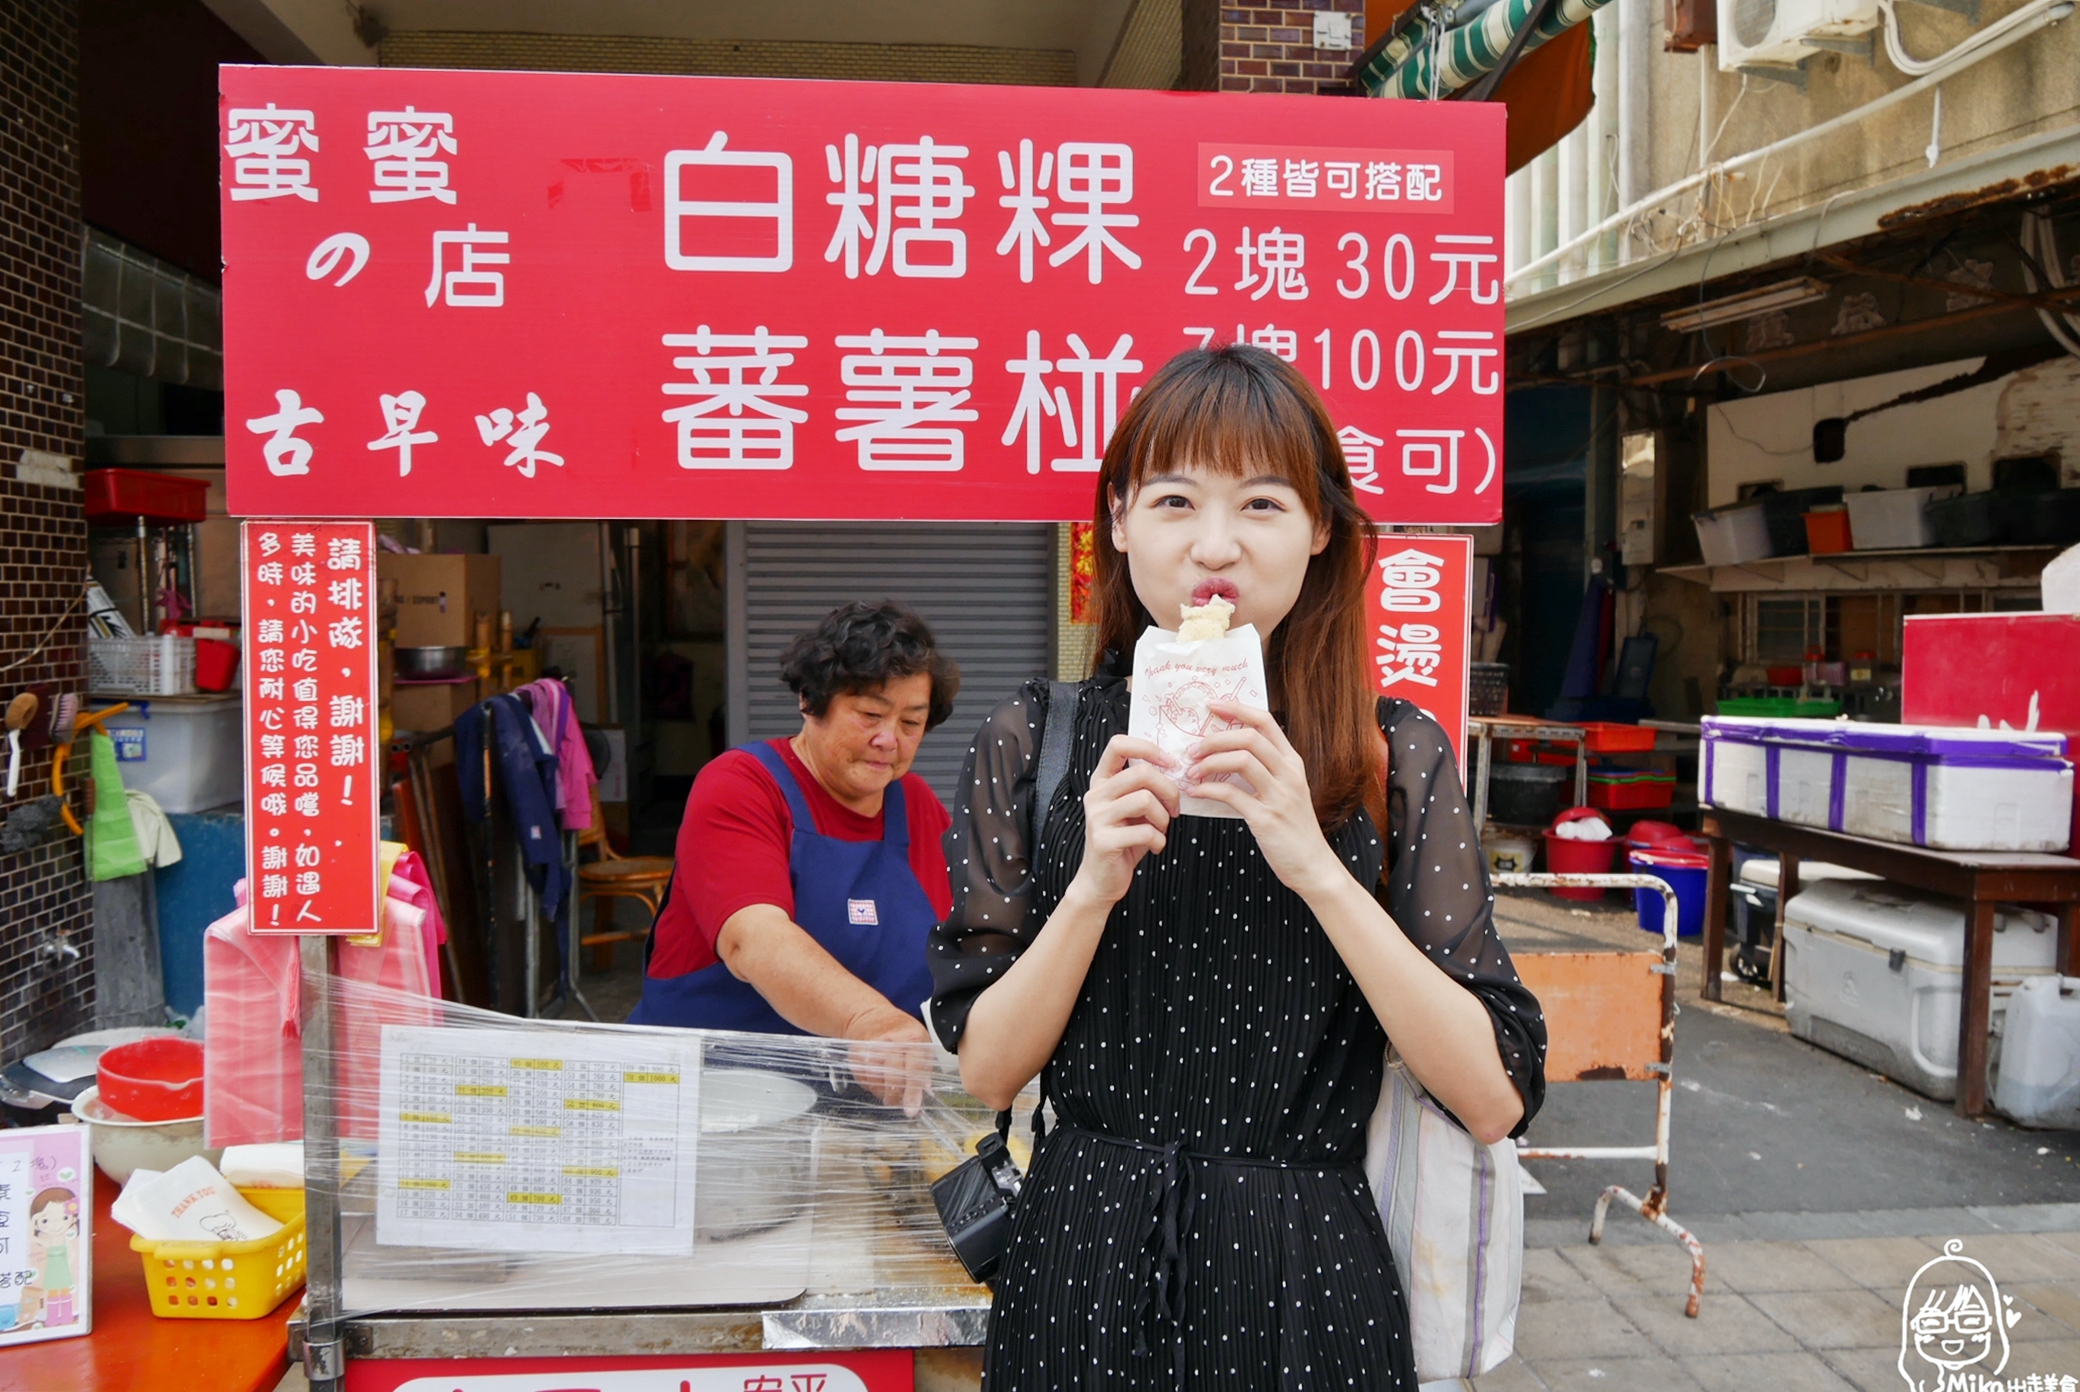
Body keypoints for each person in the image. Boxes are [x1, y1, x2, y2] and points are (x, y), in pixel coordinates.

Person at [928, 344, 1547, 1390]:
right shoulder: (1034, 739)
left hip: (1303, 1269)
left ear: (1319, 530)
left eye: (1261, 504)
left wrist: (1315, 864)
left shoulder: (1390, 753)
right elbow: (986, 1071)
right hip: (1079, 1255)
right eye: (1175, 500)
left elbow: (1492, 1096)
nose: (1214, 546)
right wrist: (1090, 885)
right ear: (1119, 521)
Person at [632, 601, 960, 1089]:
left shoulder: (916, 805)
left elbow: (969, 940)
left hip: (860, 1118)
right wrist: (869, 1021)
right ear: (809, 701)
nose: (889, 739)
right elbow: (754, 939)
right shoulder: (741, 785)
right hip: (715, 1098)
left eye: (911, 723)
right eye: (870, 714)